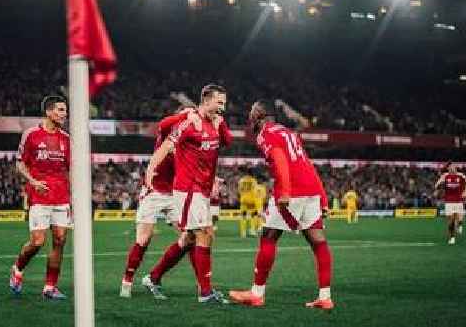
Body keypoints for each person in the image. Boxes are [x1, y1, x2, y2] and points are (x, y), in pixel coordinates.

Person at [229, 101, 334, 310]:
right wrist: (323, 198)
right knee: (318, 243)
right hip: (311, 189)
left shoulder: (265, 133)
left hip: (291, 189)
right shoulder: (289, 132)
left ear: (260, 114)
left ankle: (256, 294)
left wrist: (285, 191)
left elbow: (279, 160)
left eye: (252, 111)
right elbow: (306, 161)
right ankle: (325, 297)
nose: (249, 115)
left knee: (268, 236)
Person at [141, 84, 233, 304]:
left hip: (202, 190)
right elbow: (166, 145)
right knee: (205, 234)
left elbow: (227, 142)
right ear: (206, 100)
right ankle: (205, 292)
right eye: (219, 102)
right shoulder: (190, 123)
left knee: (189, 238)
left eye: (224, 103)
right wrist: (150, 169)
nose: (223, 107)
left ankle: (153, 277)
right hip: (188, 190)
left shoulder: (216, 122)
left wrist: (221, 125)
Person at [119, 102, 200, 298]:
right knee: (143, 239)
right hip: (153, 192)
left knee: (191, 237)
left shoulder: (190, 140)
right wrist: (186, 115)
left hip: (174, 195)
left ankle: (198, 284)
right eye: (191, 114)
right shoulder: (167, 132)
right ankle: (127, 282)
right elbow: (164, 122)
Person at [9, 95, 71, 300]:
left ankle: (50, 287)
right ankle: (17, 268)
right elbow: (20, 163)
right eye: (61, 110)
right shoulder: (31, 135)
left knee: (60, 240)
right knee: (37, 242)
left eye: (65, 110)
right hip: (39, 195)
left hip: (61, 197)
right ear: (49, 112)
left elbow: (71, 169)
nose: (65, 114)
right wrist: (33, 181)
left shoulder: (66, 139)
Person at [434, 162, 466, 245]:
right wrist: (438, 186)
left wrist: (465, 192)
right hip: (449, 201)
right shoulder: (445, 176)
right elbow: (437, 185)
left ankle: (460, 225)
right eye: (450, 167)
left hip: (459, 200)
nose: (452, 168)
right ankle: (452, 237)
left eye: (453, 166)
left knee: (458, 216)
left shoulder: (461, 175)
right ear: (448, 168)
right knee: (450, 220)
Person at [238, 173, 259, 238]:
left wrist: (242, 195)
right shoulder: (253, 180)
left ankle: (243, 233)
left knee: (243, 216)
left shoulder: (241, 180)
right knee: (254, 215)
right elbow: (255, 190)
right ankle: (252, 230)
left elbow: (239, 190)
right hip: (252, 200)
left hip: (243, 200)